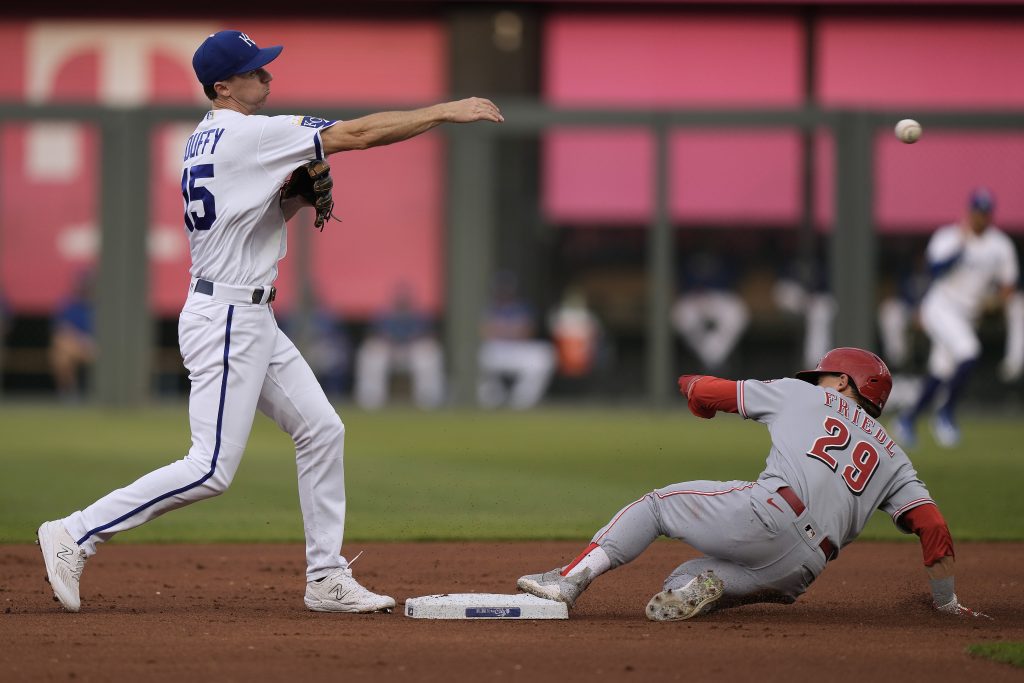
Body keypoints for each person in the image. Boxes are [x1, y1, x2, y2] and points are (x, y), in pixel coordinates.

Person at [36, 29, 503, 613]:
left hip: (244, 313)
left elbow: (241, 218)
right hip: (227, 315)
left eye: (264, 69)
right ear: (222, 86)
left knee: (321, 430)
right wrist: (443, 110)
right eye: (255, 72)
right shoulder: (250, 134)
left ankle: (326, 577)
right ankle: (75, 532)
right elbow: (356, 134)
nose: (267, 77)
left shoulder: (204, 139)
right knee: (209, 468)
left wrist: (293, 202)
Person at [516, 348, 988, 621]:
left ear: (844, 382)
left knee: (656, 506)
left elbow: (707, 391)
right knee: (683, 580)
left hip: (768, 513)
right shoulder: (895, 456)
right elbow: (933, 527)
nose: (817, 379)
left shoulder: (803, 394)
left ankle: (568, 581)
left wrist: (690, 387)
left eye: (824, 374)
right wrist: (945, 603)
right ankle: (710, 584)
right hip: (803, 568)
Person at [894, 189, 1021, 448]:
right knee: (969, 351)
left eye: (985, 213)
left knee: (942, 370)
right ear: (969, 211)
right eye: (977, 212)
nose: (980, 217)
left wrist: (997, 301)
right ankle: (945, 414)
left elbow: (1009, 285)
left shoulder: (1000, 244)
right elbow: (934, 270)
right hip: (940, 307)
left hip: (967, 315)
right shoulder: (949, 237)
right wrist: (959, 250)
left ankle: (907, 419)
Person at [354, 284, 444, 410]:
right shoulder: (383, 315)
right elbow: (372, 335)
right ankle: (371, 398)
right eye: (399, 298)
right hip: (389, 350)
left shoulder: (420, 316)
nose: (402, 301)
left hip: (412, 351)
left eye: (405, 298)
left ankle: (428, 399)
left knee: (428, 352)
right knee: (372, 353)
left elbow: (430, 335)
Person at [478, 272, 556, 409]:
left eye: (507, 289)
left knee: (544, 354)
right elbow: (483, 332)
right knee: (477, 356)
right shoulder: (488, 307)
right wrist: (511, 330)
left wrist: (500, 330)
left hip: (517, 349)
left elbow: (527, 331)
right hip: (495, 349)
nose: (503, 292)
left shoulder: (522, 307)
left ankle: (521, 402)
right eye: (500, 289)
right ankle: (492, 399)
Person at [671, 250, 749, 373]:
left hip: (720, 297)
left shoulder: (727, 255)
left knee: (736, 315)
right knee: (682, 316)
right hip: (692, 297)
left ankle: (710, 360)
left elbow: (735, 279)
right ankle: (715, 363)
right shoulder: (684, 255)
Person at [49, 271, 96, 401]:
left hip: (96, 348)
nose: (85, 288)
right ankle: (69, 393)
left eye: (88, 285)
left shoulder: (100, 305)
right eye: (82, 284)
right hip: (74, 346)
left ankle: (107, 392)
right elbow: (60, 330)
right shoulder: (67, 304)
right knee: (61, 355)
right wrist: (79, 341)